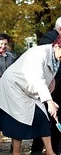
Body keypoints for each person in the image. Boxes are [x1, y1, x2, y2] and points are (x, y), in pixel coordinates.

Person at [0, 35, 61, 155]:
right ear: (57, 46)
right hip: (15, 88)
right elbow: (38, 78)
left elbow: (48, 73)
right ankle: (16, 152)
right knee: (19, 122)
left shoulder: (56, 56)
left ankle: (50, 152)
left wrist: (52, 81)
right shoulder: (40, 53)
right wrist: (49, 101)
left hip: (30, 90)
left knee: (43, 118)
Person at [31, 17, 61, 155]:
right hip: (49, 87)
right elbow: (44, 68)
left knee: (55, 121)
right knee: (44, 119)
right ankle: (37, 150)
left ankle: (55, 149)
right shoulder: (48, 40)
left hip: (57, 85)